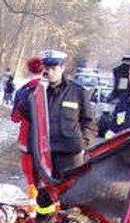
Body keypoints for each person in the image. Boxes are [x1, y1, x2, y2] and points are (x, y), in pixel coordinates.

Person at [38, 49, 95, 178]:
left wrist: (83, 145)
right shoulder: (37, 93)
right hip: (43, 154)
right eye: (46, 68)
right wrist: (37, 86)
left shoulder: (77, 92)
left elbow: (89, 122)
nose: (50, 72)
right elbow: (23, 113)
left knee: (70, 195)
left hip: (71, 156)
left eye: (54, 68)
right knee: (42, 196)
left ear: (62, 68)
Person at [11, 57, 44, 211]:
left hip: (26, 141)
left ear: (28, 70)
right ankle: (47, 210)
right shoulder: (49, 89)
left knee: (31, 179)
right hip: (46, 141)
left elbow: (15, 118)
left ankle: (32, 211)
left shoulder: (22, 91)